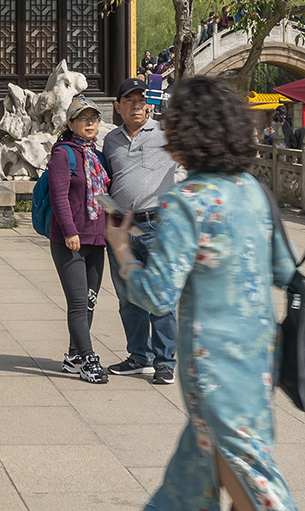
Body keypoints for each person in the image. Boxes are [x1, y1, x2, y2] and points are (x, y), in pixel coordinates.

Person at [105, 77, 296, 509]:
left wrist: (122, 251)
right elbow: (286, 270)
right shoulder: (253, 191)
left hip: (213, 367)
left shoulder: (187, 201)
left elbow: (155, 296)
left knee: (251, 477)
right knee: (191, 478)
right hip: (260, 356)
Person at [101, 81, 179, 383]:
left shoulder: (164, 133)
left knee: (160, 293)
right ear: (117, 106)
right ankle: (138, 356)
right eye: (128, 100)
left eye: (141, 100)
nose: (136, 105)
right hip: (121, 225)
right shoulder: (110, 141)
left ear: (149, 104)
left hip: (158, 222)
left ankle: (164, 360)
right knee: (128, 295)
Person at [45, 94, 113, 384]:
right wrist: (70, 230)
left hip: (97, 239)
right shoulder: (63, 154)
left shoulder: (97, 157)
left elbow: (104, 196)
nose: (90, 122)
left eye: (94, 118)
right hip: (69, 240)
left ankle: (73, 357)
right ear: (70, 122)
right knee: (76, 302)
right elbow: (59, 196)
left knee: (89, 301)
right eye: (83, 118)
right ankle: (88, 359)